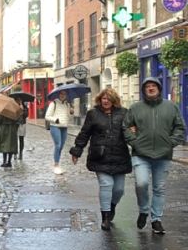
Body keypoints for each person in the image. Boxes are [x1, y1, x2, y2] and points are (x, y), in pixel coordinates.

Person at [123, 77, 186, 234]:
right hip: (141, 154)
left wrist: (170, 142)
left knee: (159, 188)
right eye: (147, 86)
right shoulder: (136, 108)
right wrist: (134, 142)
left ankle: (156, 219)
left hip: (163, 154)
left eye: (153, 86)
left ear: (158, 88)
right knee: (141, 184)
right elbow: (125, 126)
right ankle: (144, 210)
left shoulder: (171, 106)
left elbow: (180, 127)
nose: (150, 88)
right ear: (144, 90)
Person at [69, 88, 132, 231]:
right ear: (100, 99)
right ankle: (105, 217)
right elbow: (84, 133)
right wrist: (77, 150)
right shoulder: (93, 114)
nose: (106, 101)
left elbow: (131, 132)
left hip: (119, 156)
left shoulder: (124, 113)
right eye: (103, 98)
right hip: (100, 156)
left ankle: (111, 207)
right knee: (106, 184)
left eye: (109, 99)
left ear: (114, 100)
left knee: (119, 190)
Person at [45, 89, 74, 174]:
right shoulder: (53, 103)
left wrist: (71, 112)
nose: (62, 95)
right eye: (61, 94)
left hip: (64, 127)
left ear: (66, 96)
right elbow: (47, 116)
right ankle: (56, 165)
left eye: (64, 94)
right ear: (58, 94)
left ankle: (57, 162)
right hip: (55, 126)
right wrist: (55, 119)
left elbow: (69, 117)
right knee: (58, 145)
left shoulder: (67, 104)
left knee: (61, 146)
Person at [0, 100, 21, 168]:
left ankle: (4, 161)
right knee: (11, 146)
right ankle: (9, 162)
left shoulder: (3, 111)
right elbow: (19, 121)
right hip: (12, 130)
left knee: (4, 145)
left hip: (3, 129)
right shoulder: (15, 112)